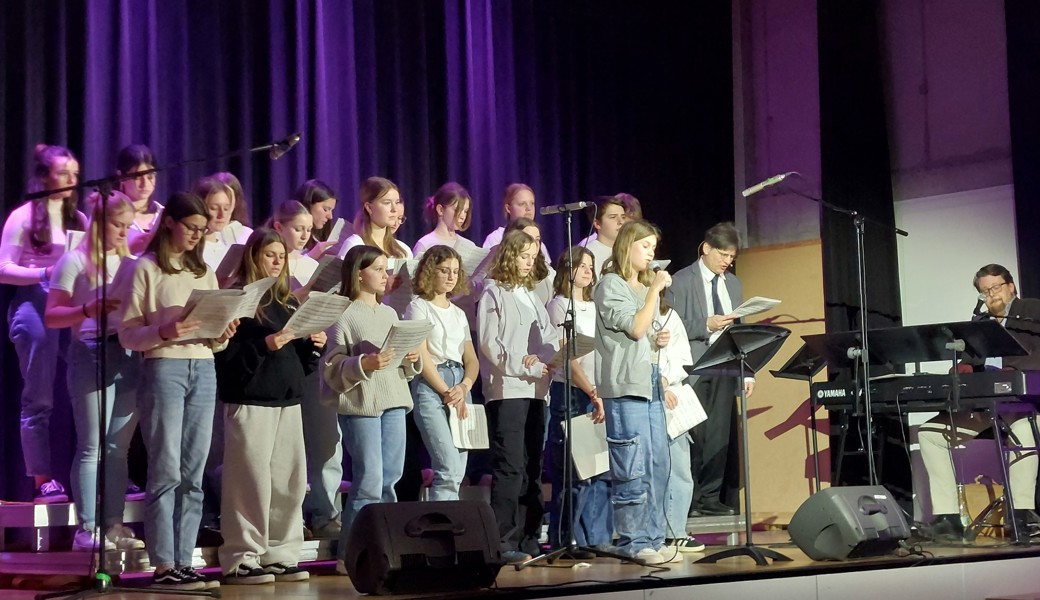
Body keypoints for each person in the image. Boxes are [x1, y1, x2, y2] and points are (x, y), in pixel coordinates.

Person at [117, 192, 237, 590]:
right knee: (166, 468)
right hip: (164, 367)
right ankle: (164, 563)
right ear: (169, 222)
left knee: (194, 472)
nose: (197, 237)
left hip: (203, 367)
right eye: (192, 228)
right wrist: (163, 331)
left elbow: (212, 333)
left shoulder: (204, 271)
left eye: (203, 231)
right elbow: (128, 334)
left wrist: (221, 333)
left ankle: (185, 560)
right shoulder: (146, 269)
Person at [215, 228, 325, 584]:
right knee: (249, 481)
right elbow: (226, 359)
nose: (277, 262)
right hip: (250, 399)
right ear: (253, 257)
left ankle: (279, 552)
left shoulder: (288, 300)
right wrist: (265, 345)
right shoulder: (239, 298)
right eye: (270, 256)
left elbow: (300, 363)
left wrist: (313, 345)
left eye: (281, 257)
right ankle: (242, 555)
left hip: (287, 400)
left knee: (288, 482)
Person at [44, 190, 144, 551]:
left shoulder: (130, 262)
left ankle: (113, 523)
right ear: (99, 224)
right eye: (118, 225)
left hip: (128, 350)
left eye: (127, 225)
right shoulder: (74, 261)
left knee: (119, 446)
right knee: (92, 445)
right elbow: (53, 315)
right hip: (90, 350)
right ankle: (87, 528)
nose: (124, 232)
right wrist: (89, 309)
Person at [919, 263, 1040, 542]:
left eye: (996, 287)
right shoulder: (980, 324)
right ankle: (948, 520)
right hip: (987, 405)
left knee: (1023, 432)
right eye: (985, 291)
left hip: (1026, 404)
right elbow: (969, 363)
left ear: (1011, 286)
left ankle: (1022, 516)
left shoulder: (1033, 311)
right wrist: (961, 371)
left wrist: (1014, 372)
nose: (991, 295)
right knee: (930, 434)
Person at [322, 245, 421, 574]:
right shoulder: (344, 314)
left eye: (386, 268)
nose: (385, 275)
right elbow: (332, 367)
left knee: (390, 479)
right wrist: (365, 362)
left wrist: (409, 360)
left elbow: (399, 365)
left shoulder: (390, 313)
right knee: (368, 479)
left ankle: (382, 548)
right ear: (359, 273)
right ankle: (350, 553)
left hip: (393, 400)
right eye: (378, 269)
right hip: (362, 404)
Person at [0, 144, 87, 503]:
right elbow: (3, 268)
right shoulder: (22, 217)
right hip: (34, 302)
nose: (71, 180)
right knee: (38, 397)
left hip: (69, 302)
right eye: (63, 172)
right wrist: (45, 271)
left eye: (75, 174)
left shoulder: (78, 219)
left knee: (87, 391)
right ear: (44, 176)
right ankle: (42, 479)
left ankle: (99, 473)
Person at [594, 219, 675, 565]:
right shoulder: (610, 285)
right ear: (627, 246)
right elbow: (636, 328)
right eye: (646, 247)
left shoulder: (643, 287)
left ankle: (654, 536)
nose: (652, 253)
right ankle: (634, 539)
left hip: (651, 382)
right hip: (626, 386)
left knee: (657, 463)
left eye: (654, 248)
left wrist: (660, 339)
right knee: (633, 465)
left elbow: (647, 333)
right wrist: (654, 292)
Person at [478, 229, 558, 563]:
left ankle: (529, 535)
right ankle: (502, 539)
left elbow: (550, 336)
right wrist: (524, 366)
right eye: (524, 256)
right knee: (510, 466)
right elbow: (489, 344)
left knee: (532, 466)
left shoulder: (531, 295)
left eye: (533, 256)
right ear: (510, 255)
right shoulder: (493, 293)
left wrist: (546, 358)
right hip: (508, 389)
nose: (530, 262)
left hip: (537, 390)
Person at [665, 222, 749, 517]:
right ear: (706, 249)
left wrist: (747, 371)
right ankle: (690, 498)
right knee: (696, 436)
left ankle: (711, 497)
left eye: (731, 257)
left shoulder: (733, 284)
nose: (727, 261)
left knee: (719, 436)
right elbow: (670, 326)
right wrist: (705, 325)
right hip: (694, 367)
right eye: (723, 255)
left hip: (725, 366)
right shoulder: (681, 280)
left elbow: (741, 329)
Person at [545, 246, 610, 555]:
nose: (587, 271)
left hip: (595, 393)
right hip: (571, 392)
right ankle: (564, 539)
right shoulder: (559, 306)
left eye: (591, 266)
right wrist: (591, 391)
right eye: (581, 265)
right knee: (573, 473)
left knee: (596, 471)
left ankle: (593, 539)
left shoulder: (594, 306)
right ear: (567, 269)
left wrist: (600, 391)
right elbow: (567, 356)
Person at [404, 245, 478, 500]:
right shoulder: (419, 307)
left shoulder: (459, 313)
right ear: (429, 272)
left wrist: (464, 387)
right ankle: (441, 529)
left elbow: (472, 360)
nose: (450, 277)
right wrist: (447, 390)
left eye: (455, 272)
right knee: (446, 466)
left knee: (458, 470)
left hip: (460, 387)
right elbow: (422, 357)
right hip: (432, 386)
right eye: (444, 271)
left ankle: (450, 526)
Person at [654, 302, 706, 553]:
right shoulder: (630, 313)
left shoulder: (669, 315)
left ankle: (675, 531)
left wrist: (665, 380)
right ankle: (654, 532)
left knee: (679, 467)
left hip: (670, 398)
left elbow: (682, 356)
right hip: (640, 395)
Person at [338, 177, 411, 260]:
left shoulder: (403, 250)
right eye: (387, 203)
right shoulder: (355, 246)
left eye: (397, 202)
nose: (394, 209)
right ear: (369, 208)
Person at [194, 176, 252, 271]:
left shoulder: (229, 251)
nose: (221, 215)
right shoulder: (191, 250)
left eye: (226, 208)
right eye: (214, 208)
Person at [481, 183, 551, 261]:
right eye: (522, 204)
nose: (529, 208)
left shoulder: (537, 240)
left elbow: (546, 270)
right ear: (508, 208)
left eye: (532, 203)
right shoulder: (496, 239)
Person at [115, 144, 161, 253]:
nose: (144, 183)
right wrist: (130, 250)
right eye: (137, 177)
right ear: (121, 177)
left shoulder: (163, 214)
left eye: (150, 176)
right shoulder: (109, 214)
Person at [412, 182, 478, 255]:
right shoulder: (425, 245)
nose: (462, 216)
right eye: (457, 210)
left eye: (465, 211)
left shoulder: (469, 246)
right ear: (440, 210)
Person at [268, 200, 317, 289]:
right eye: (298, 229)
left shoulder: (312, 265)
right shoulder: (271, 263)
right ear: (279, 227)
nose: (305, 236)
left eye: (309, 230)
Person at [579, 196, 631, 275]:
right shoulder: (587, 254)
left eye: (623, 217)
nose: (621, 222)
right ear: (597, 223)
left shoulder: (631, 250)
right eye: (613, 217)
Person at [293, 179, 340, 258]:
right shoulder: (291, 235)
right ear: (307, 205)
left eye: (331, 210)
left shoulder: (318, 236)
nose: (330, 216)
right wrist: (313, 255)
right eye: (325, 209)